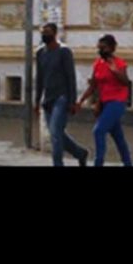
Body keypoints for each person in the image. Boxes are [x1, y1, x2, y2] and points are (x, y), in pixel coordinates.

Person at [33, 22, 90, 168]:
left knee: (54, 133)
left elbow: (70, 77)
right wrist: (37, 100)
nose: (45, 34)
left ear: (55, 33)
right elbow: (39, 78)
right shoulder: (40, 53)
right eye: (43, 32)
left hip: (62, 97)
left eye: (48, 32)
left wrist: (72, 101)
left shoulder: (64, 52)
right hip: (48, 99)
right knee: (57, 134)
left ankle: (58, 164)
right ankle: (79, 153)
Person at [77, 33, 133, 167]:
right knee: (118, 136)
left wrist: (115, 71)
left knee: (99, 131)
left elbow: (126, 82)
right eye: (99, 47)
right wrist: (81, 100)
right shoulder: (98, 64)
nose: (101, 51)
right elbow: (93, 85)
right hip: (104, 102)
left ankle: (98, 162)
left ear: (112, 48)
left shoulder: (120, 63)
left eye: (104, 48)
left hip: (117, 102)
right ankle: (128, 163)